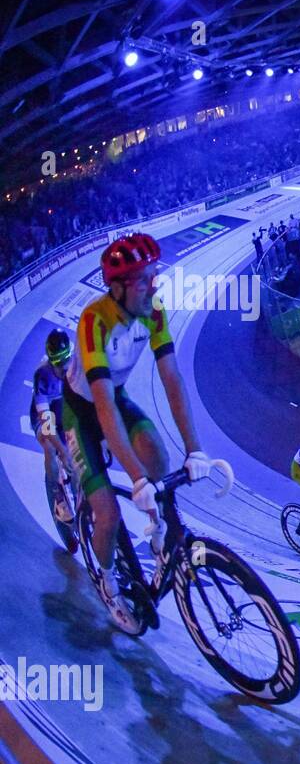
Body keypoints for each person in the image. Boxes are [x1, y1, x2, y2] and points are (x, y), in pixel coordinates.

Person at [62, 233, 213, 633]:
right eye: (144, 279)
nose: (155, 284)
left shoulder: (153, 310)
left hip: (115, 396)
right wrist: (135, 477)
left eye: (154, 275)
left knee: (159, 457)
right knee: (108, 513)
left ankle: (160, 535)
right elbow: (103, 407)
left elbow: (172, 378)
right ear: (117, 288)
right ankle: (108, 582)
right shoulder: (94, 321)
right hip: (83, 410)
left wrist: (195, 449)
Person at [31, 329, 75, 530]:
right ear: (50, 360)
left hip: (65, 411)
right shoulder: (43, 375)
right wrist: (63, 450)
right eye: (58, 362)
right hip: (46, 416)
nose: (63, 366)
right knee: (49, 445)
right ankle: (57, 495)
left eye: (66, 359)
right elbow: (47, 423)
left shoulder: (77, 366)